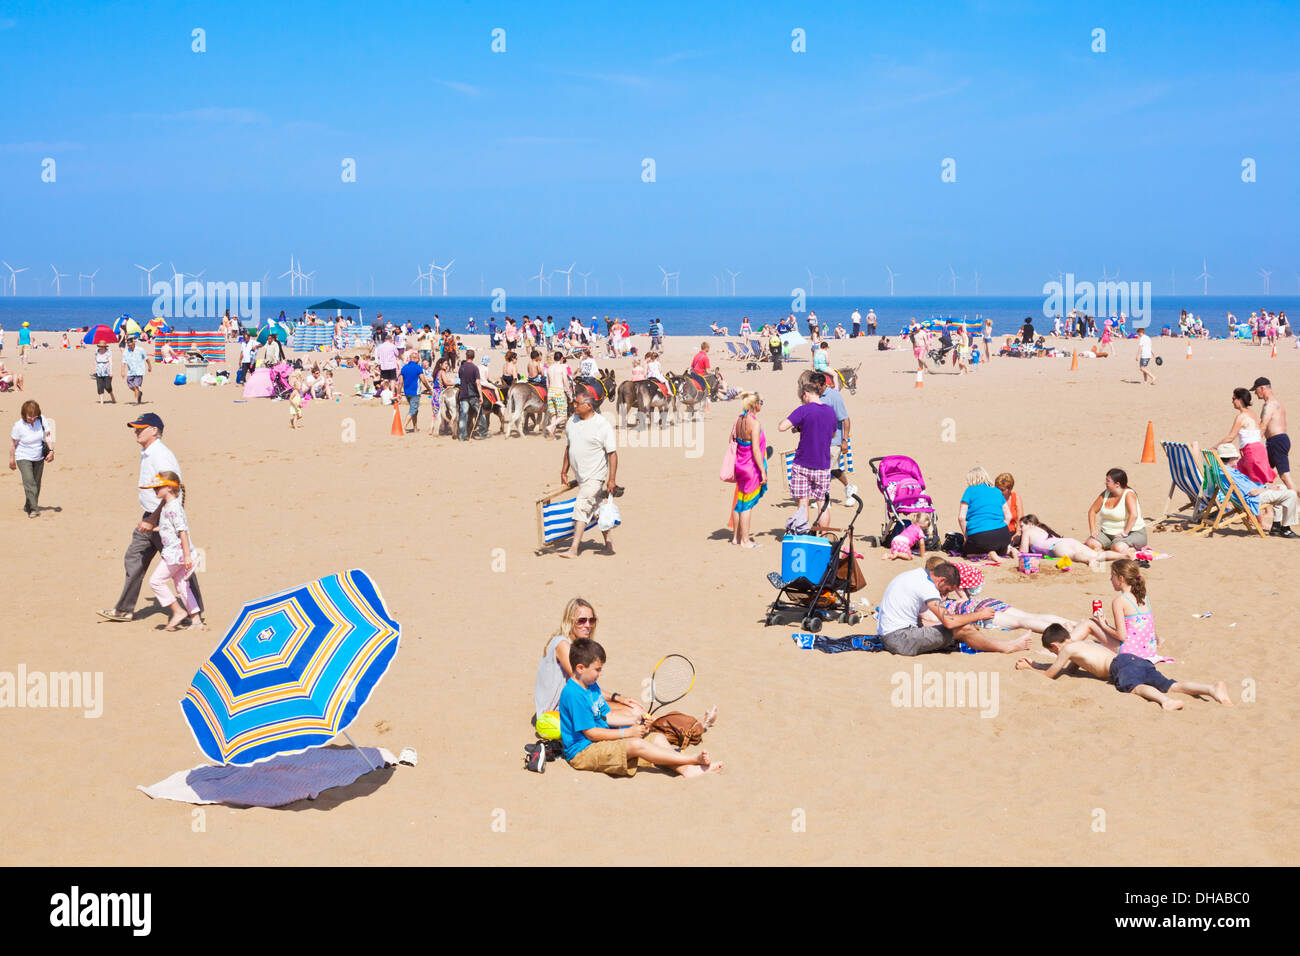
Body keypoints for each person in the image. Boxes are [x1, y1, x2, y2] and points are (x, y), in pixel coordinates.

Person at [558, 638, 721, 777]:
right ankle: (692, 760)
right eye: (597, 669)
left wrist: (635, 719)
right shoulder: (574, 694)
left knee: (658, 739)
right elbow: (591, 733)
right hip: (583, 752)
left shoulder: (591, 685)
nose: (600, 673)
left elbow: (606, 716)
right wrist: (627, 732)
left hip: (601, 741)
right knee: (637, 744)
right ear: (580, 668)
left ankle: (686, 770)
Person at [98, 413, 205, 623]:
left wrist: (154, 519)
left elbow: (173, 491)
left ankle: (195, 614)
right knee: (134, 557)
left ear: (154, 430)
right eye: (135, 428)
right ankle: (124, 609)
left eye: (141, 427)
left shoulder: (161, 455)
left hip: (162, 519)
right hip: (150, 517)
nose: (136, 431)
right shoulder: (147, 452)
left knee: (182, 563)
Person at [1016, 624, 1232, 711]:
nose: (1056, 655)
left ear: (1055, 646)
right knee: (1171, 684)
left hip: (1119, 667)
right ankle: (1210, 689)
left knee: (1136, 688)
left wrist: (1031, 667)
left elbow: (1051, 675)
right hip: (1132, 659)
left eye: (1053, 652)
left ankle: (1165, 702)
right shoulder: (1083, 644)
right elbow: (1071, 670)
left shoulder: (1066, 651)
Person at [533, 599, 648, 737]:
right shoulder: (562, 645)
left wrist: (618, 698)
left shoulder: (576, 645)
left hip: (575, 701)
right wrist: (618, 699)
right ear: (569, 621)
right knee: (631, 712)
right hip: (553, 715)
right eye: (581, 620)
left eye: (591, 620)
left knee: (631, 710)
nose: (587, 625)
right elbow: (583, 685)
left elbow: (590, 690)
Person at [877, 563, 1030, 655]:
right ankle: (1007, 647)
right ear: (941, 580)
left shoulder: (914, 575)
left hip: (889, 635)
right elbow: (949, 622)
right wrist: (979, 615)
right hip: (899, 640)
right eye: (947, 589)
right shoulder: (927, 586)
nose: (944, 594)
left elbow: (921, 620)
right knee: (963, 629)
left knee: (957, 626)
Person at [140, 471, 203, 630]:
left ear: (169, 488)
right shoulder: (169, 506)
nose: (155, 491)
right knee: (182, 586)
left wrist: (187, 556)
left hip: (176, 554)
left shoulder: (173, 507)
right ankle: (196, 620)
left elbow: (183, 532)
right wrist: (155, 529)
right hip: (179, 553)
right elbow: (172, 528)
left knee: (156, 581)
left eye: (157, 488)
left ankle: (178, 611)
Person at [559, 390, 617, 558]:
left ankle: (573, 549)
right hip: (581, 477)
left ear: (589, 405)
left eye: (577, 404)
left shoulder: (602, 424)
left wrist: (611, 479)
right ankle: (609, 545)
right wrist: (564, 470)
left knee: (581, 506)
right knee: (598, 509)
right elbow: (568, 448)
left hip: (595, 476)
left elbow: (612, 453)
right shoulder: (572, 421)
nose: (574, 406)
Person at [778, 375, 837, 530]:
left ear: (806, 393)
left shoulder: (803, 410)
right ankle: (823, 535)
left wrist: (799, 425)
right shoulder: (830, 412)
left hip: (803, 462)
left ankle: (803, 534)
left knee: (803, 502)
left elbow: (782, 426)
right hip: (823, 464)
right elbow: (831, 435)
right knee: (822, 504)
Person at [1216, 444, 1299, 538]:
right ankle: (1286, 529)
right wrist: (1269, 489)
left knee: (1282, 488)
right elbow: (1252, 492)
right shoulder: (1230, 474)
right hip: (1251, 498)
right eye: (1236, 457)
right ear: (1231, 458)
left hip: (1246, 496)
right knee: (1291, 494)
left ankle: (1276, 527)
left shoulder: (1221, 470)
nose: (1237, 459)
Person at [1010, 514, 1126, 570]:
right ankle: (1124, 556)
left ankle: (1088, 560)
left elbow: (1023, 553)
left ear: (1030, 524)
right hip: (1066, 541)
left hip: (1056, 547)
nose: (1020, 529)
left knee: (1073, 556)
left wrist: (1013, 550)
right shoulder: (1041, 529)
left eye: (1021, 526)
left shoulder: (1028, 532)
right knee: (1097, 554)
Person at [1210, 387, 1274, 484]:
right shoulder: (1252, 414)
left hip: (1251, 452)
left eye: (1233, 398)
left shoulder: (1241, 417)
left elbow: (1230, 437)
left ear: (1240, 399)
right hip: (1257, 450)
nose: (1232, 401)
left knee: (1253, 482)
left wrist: (1214, 447)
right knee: (1244, 477)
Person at [730, 391, 768, 548]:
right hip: (750, 467)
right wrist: (763, 471)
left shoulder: (738, 420)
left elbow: (732, 439)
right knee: (747, 505)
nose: (761, 405)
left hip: (739, 465)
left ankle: (736, 538)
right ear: (754, 405)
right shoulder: (755, 424)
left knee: (740, 502)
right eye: (761, 402)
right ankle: (745, 540)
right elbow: (756, 451)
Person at [1084, 468, 1147, 556]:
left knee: (1118, 548)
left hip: (1132, 533)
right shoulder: (1105, 494)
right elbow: (1092, 511)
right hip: (1107, 533)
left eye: (1108, 481)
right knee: (1090, 544)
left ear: (1117, 484)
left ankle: (1136, 548)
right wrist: (1093, 530)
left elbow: (1134, 515)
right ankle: (1112, 546)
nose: (1105, 483)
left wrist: (1124, 533)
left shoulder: (1129, 494)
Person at [10, 399, 54, 517]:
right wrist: (12, 459)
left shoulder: (41, 419)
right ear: (24, 414)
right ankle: (34, 509)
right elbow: (13, 444)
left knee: (36, 483)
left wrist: (51, 451)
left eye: (34, 416)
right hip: (23, 456)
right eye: (30, 417)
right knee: (29, 482)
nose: (32, 419)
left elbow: (48, 436)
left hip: (38, 456)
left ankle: (28, 505)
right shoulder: (18, 426)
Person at [958, 466, 1012, 559]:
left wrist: (967, 537)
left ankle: (988, 555)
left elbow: (961, 518)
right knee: (1000, 549)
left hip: (980, 537)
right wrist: (998, 527)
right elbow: (1008, 516)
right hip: (1003, 536)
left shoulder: (969, 491)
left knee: (968, 553)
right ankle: (1010, 550)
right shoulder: (997, 491)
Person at [1254, 377, 1293, 491]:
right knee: (1261, 473)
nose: (1256, 394)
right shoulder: (1278, 403)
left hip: (1276, 441)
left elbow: (1263, 425)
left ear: (1262, 388)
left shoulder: (1269, 405)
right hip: (1279, 440)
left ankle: (1297, 501)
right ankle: (1268, 508)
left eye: (1256, 391)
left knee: (1285, 476)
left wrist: (1255, 443)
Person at [457, 348, 487, 440]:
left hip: (463, 394)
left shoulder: (461, 367)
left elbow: (460, 378)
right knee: (480, 414)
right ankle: (483, 433)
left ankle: (462, 436)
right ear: (473, 357)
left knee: (463, 415)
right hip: (473, 394)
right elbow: (478, 383)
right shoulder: (475, 368)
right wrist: (481, 396)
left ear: (466, 356)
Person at [400, 350, 432, 432]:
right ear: (417, 359)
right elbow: (424, 381)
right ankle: (403, 427)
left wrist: (398, 392)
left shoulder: (404, 367)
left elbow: (400, 382)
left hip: (407, 392)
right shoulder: (418, 367)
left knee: (415, 410)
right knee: (413, 410)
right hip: (415, 392)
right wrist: (429, 389)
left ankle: (415, 427)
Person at [543, 350, 571, 440]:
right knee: (563, 416)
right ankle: (551, 426)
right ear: (562, 358)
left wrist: (550, 392)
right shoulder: (562, 368)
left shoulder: (549, 368)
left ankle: (553, 436)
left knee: (554, 415)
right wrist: (569, 394)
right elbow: (565, 382)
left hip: (550, 392)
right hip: (559, 391)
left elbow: (547, 383)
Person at [121, 336, 152, 404]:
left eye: (130, 343)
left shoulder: (140, 350)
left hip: (139, 371)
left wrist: (149, 366)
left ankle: (136, 401)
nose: (128, 344)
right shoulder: (126, 351)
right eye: (127, 343)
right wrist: (122, 371)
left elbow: (146, 358)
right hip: (130, 372)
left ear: (134, 343)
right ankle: (139, 393)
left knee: (135, 386)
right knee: (130, 386)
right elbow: (124, 362)